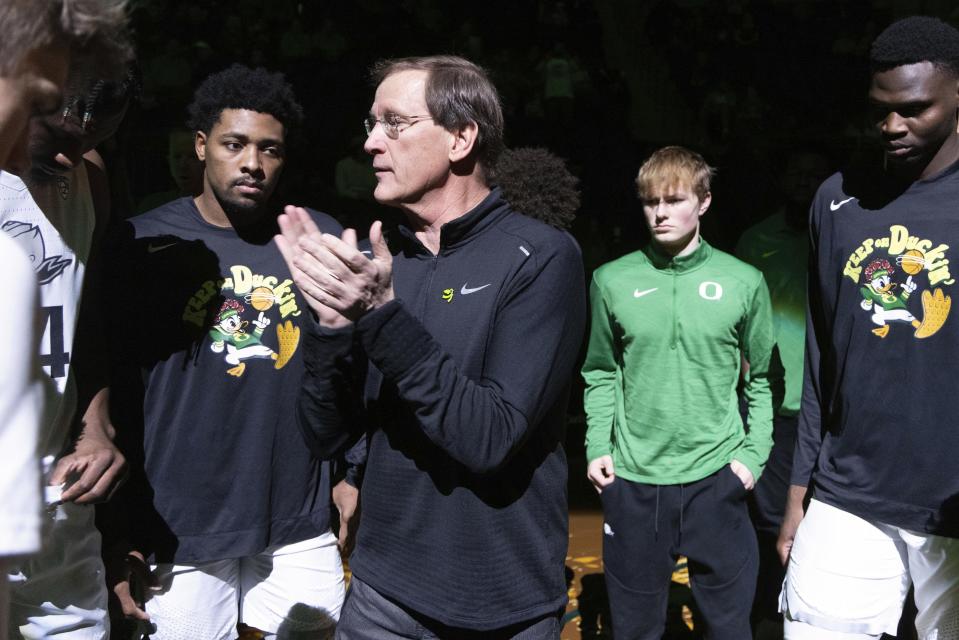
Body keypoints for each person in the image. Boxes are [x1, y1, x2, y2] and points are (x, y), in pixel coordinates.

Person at [276, 54, 586, 638]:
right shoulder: (377, 262)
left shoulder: (542, 256)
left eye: (394, 123)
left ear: (461, 137)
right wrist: (329, 331)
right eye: (370, 124)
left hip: (502, 608)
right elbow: (326, 436)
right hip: (381, 594)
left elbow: (489, 437)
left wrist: (381, 315)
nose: (371, 143)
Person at [105, 65, 346, 640]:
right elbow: (111, 388)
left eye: (270, 149)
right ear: (201, 146)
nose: (252, 164)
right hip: (180, 524)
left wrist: (351, 472)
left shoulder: (318, 238)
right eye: (234, 144)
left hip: (296, 516)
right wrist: (120, 532)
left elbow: (348, 370)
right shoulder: (142, 244)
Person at [777, 16, 959, 640]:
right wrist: (801, 487)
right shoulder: (837, 199)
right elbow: (822, 359)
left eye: (914, 109)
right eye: (880, 110)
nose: (892, 126)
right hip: (848, 493)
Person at [582, 145, 774, 639]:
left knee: (729, 629)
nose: (660, 212)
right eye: (650, 202)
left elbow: (761, 380)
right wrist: (598, 445)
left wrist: (753, 457)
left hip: (717, 478)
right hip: (635, 481)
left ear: (704, 202)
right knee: (636, 632)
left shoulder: (744, 281)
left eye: (673, 199)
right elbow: (600, 371)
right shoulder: (611, 280)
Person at [2, 59, 135, 638]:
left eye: (94, 142)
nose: (69, 160)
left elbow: (83, 316)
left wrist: (95, 425)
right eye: (58, 138)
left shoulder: (89, 178)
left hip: (56, 496)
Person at [734, 147, 830, 637]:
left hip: (828, 408)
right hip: (771, 407)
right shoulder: (757, 241)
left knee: (821, 519)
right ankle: (771, 613)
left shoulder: (838, 231)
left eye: (814, 174)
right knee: (770, 521)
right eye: (796, 171)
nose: (804, 182)